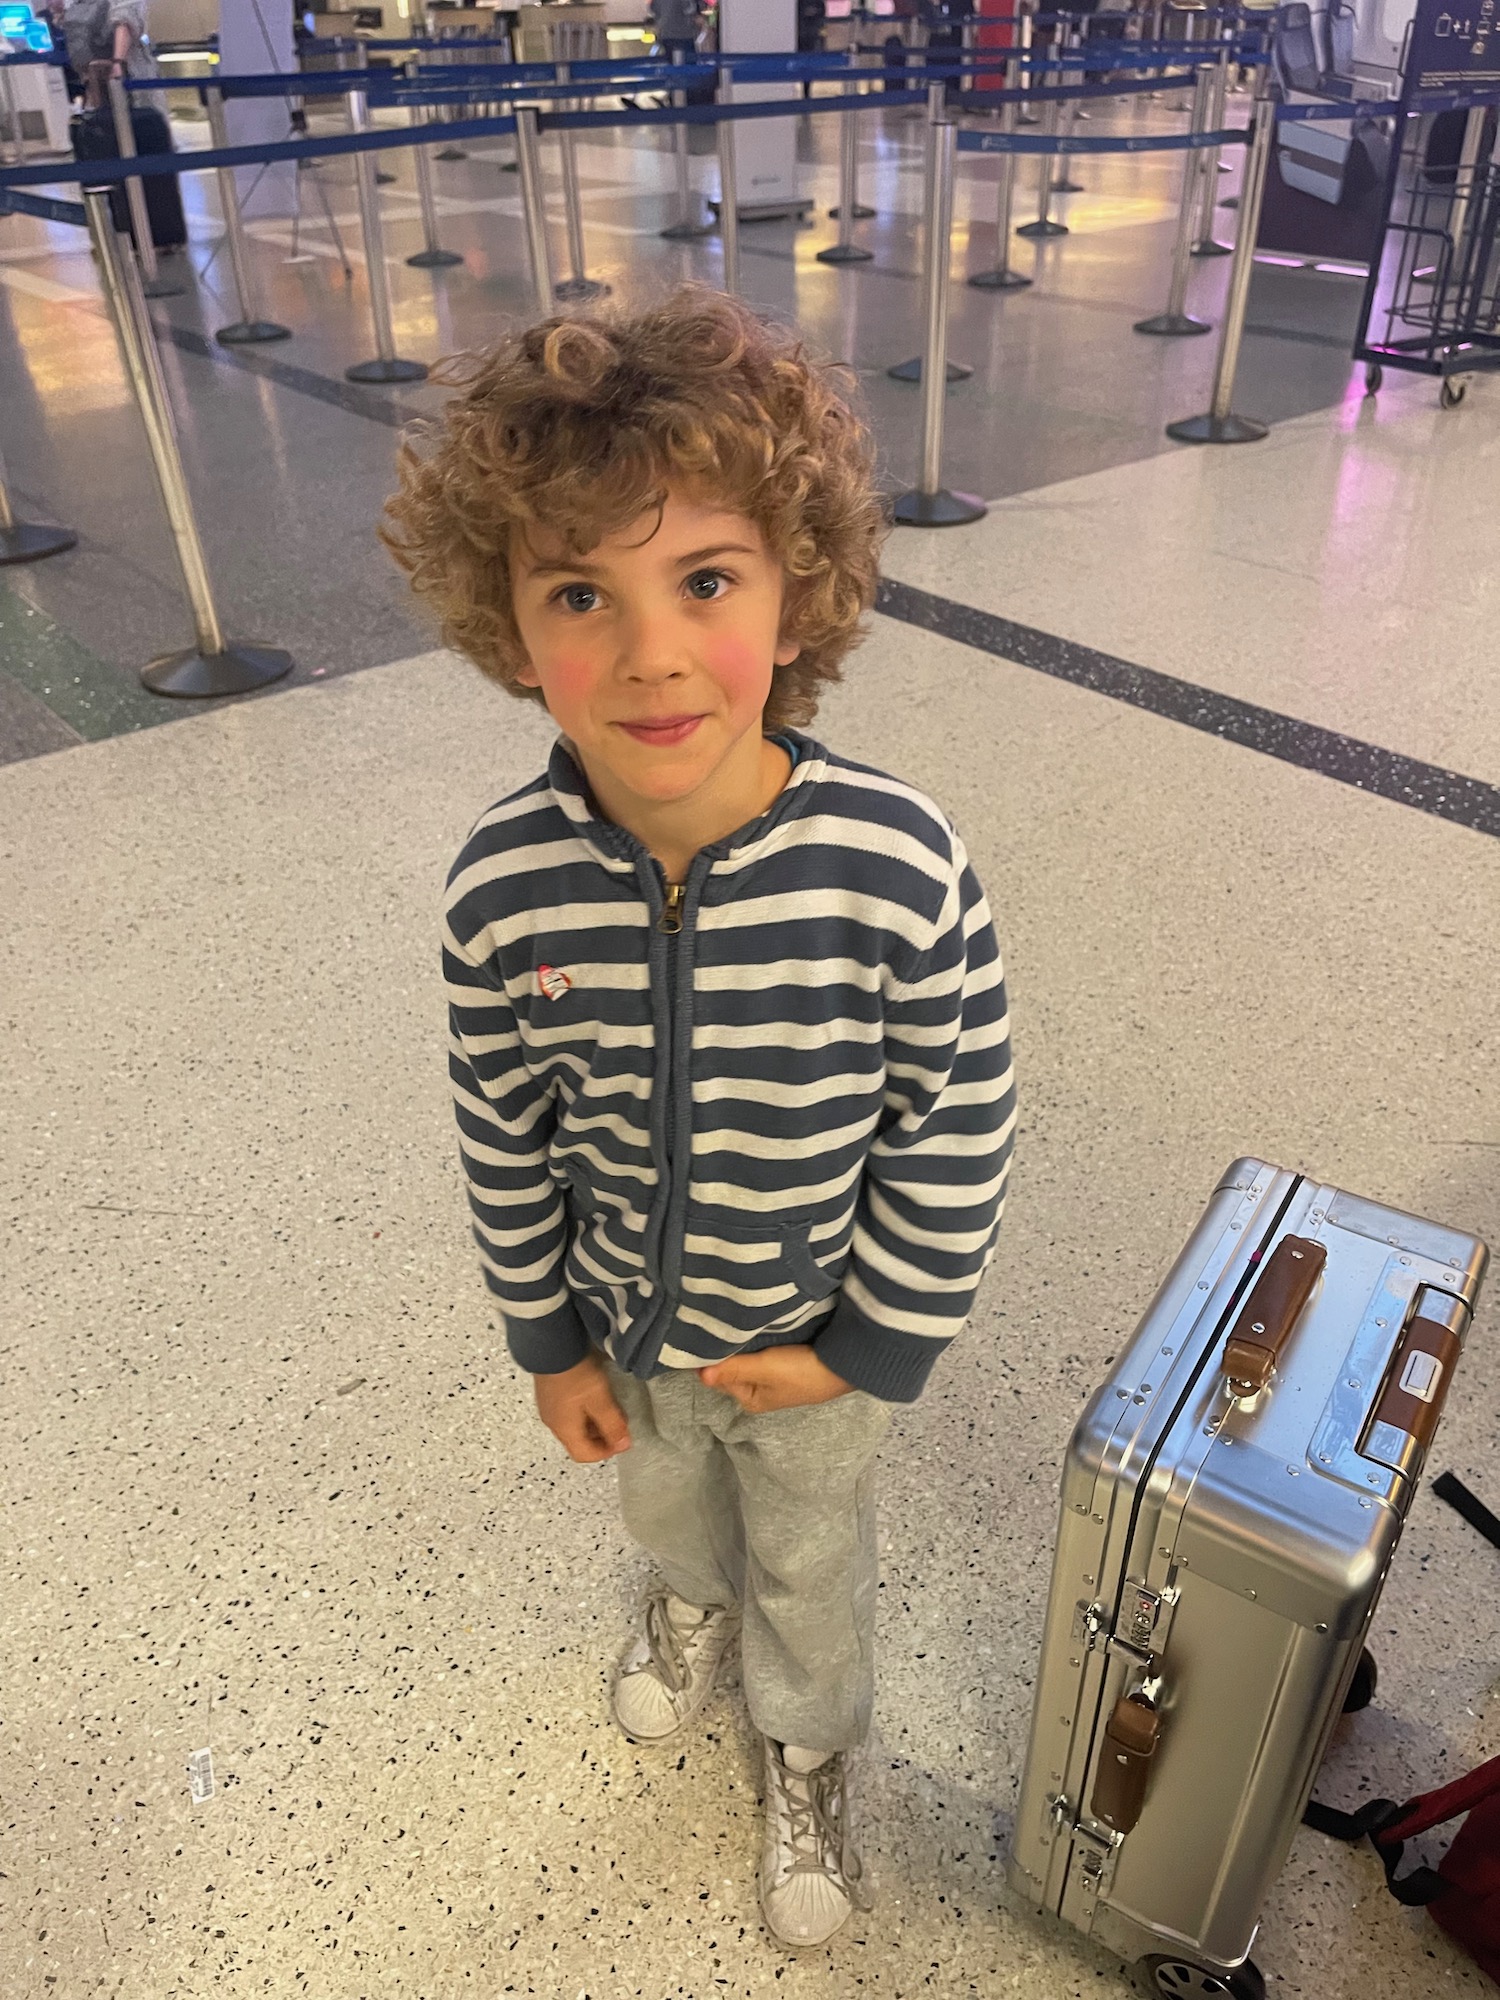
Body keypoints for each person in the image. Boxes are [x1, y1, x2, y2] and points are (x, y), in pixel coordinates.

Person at [382, 290, 1016, 1953]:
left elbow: (953, 1128)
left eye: (707, 581)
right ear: (512, 632)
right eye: (581, 592)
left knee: (812, 1560)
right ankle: (683, 1608)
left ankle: (809, 1746)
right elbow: (500, 1132)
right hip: (632, 1338)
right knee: (669, 1512)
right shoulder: (500, 890)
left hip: (815, 1350)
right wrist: (550, 1341)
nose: (651, 653)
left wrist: (871, 1345)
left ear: (798, 592)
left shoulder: (897, 868)